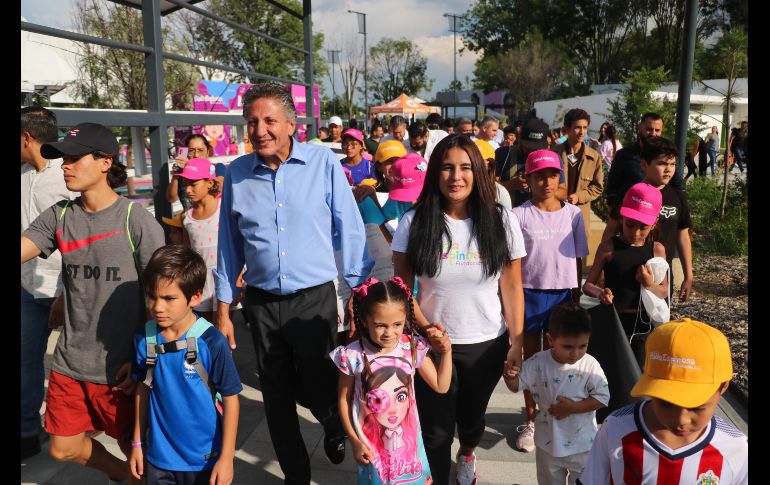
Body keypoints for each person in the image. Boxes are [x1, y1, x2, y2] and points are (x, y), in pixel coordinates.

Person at [214, 82, 374, 485]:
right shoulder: (237, 173)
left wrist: (360, 295)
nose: (260, 130)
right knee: (277, 397)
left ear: (291, 124)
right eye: (252, 121)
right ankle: (296, 477)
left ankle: (335, 424)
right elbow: (228, 245)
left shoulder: (322, 164)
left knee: (320, 384)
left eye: (269, 120)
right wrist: (223, 309)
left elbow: (350, 229)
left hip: (315, 301)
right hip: (261, 303)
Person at [20, 122, 165, 482]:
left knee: (149, 453)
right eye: (63, 159)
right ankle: (127, 478)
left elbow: (161, 298)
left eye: (74, 158)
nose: (65, 166)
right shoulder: (60, 215)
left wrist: (145, 362)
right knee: (63, 446)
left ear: (105, 162)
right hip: (70, 362)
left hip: (121, 368)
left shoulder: (137, 221)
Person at [392, 134, 527, 485]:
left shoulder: (501, 220)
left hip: (487, 343)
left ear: (478, 173)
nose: (456, 176)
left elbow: (512, 285)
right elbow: (401, 289)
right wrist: (425, 328)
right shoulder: (414, 221)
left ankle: (467, 453)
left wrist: (516, 340)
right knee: (435, 432)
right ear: (435, 173)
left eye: (465, 167)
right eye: (447, 168)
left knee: (471, 420)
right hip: (432, 346)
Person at [578, 318, 748, 484]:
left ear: (723, 387)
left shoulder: (735, 447)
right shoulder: (616, 427)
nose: (681, 419)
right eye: (666, 403)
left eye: (697, 407)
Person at [129, 245, 242, 484]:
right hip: (159, 460)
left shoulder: (212, 342)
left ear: (195, 296)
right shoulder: (144, 339)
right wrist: (137, 443)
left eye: (169, 298)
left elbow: (231, 399)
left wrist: (226, 458)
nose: (158, 307)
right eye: (152, 296)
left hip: (205, 460)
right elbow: (143, 389)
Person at [331, 277, 452, 484]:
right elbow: (344, 399)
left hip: (410, 450)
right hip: (370, 447)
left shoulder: (411, 347)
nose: (389, 333)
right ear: (363, 320)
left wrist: (447, 351)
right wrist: (354, 441)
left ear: (406, 318)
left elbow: (441, 386)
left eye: (397, 324)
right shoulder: (352, 355)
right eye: (380, 325)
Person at [510, 150, 589, 453]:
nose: (546, 181)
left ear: (560, 178)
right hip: (530, 294)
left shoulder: (573, 214)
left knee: (563, 359)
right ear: (527, 179)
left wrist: (577, 292)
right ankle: (531, 418)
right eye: (539, 175)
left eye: (552, 175)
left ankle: (560, 410)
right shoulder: (519, 215)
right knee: (531, 360)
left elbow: (578, 257)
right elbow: (513, 261)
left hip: (563, 295)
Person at [20, 106, 76, 460]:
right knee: (26, 360)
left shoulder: (67, 177)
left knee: (74, 362)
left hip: (66, 289)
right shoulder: (24, 175)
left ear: (26, 138)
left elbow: (80, 238)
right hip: (27, 287)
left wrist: (67, 293)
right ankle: (27, 430)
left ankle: (77, 429)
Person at [503, 302, 609, 485]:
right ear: (550, 340)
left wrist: (572, 408)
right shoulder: (538, 362)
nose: (576, 353)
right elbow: (517, 385)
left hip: (583, 446)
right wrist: (509, 376)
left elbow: (603, 397)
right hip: (547, 445)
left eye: (583, 345)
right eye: (568, 346)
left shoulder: (590, 365)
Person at [583, 183, 668, 369]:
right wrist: (600, 293)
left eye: (643, 227)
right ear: (621, 217)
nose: (635, 233)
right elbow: (587, 285)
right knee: (610, 373)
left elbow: (663, 292)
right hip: (613, 320)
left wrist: (648, 284)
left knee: (637, 376)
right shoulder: (609, 247)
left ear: (654, 224)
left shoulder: (657, 250)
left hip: (643, 325)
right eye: (629, 224)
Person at [604, 137, 693, 302]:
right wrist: (603, 267)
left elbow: (683, 236)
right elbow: (611, 230)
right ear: (644, 165)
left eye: (672, 164)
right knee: (623, 323)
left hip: (660, 278)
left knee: (659, 325)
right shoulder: (630, 193)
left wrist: (688, 275)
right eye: (661, 164)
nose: (668, 169)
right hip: (626, 274)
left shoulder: (677, 197)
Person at [603, 112, 685, 242]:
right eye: (649, 129)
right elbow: (612, 191)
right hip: (629, 223)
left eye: (657, 130)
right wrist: (619, 221)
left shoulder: (669, 157)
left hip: (658, 221)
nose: (653, 133)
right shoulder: (623, 155)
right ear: (639, 128)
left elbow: (679, 188)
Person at [174, 157, 222, 322]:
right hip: (201, 282)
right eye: (185, 184)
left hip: (225, 280)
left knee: (223, 333)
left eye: (193, 184)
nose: (187, 190)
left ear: (210, 183)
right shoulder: (186, 218)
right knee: (205, 332)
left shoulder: (225, 208)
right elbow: (188, 253)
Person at [552, 109, 604, 243]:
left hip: (580, 215)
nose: (582, 132)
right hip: (555, 212)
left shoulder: (593, 156)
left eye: (585, 128)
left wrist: (578, 196)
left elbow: (598, 187)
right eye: (577, 127)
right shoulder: (554, 153)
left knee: (577, 258)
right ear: (566, 129)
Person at [495, 118, 567, 208]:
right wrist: (512, 184)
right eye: (528, 147)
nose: (533, 151)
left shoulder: (553, 158)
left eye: (538, 148)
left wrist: (538, 188)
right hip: (509, 216)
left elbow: (563, 193)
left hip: (541, 218)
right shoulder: (503, 154)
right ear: (520, 139)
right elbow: (489, 190)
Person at [166, 134, 226, 211]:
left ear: (207, 151)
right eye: (191, 150)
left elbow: (220, 187)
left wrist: (194, 169)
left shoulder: (217, 167)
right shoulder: (182, 173)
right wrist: (176, 176)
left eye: (200, 150)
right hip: (190, 221)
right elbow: (171, 199)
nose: (196, 155)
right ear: (186, 153)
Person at [381, 153, 427, 224]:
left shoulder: (441, 203)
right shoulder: (397, 199)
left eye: (417, 194)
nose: (412, 201)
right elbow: (383, 217)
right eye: (403, 195)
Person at [474, 139, 512, 209]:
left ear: (490, 165)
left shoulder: (500, 192)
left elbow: (506, 218)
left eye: (479, 161)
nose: (474, 165)